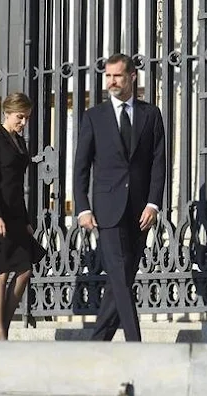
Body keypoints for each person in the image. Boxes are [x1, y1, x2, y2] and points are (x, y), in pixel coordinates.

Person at [73, 53, 166, 342]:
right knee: (119, 277)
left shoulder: (151, 114)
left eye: (118, 76)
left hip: (140, 212)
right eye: (108, 76)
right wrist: (83, 208)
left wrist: (153, 203)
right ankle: (135, 345)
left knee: (121, 281)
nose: (112, 81)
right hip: (107, 210)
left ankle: (97, 344)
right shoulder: (94, 116)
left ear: (132, 77)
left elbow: (159, 162)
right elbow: (81, 167)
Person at [0, 92, 46, 341]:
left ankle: (2, 326)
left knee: (24, 270)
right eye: (20, 117)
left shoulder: (20, 142)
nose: (23, 122)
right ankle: (0, 331)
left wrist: (27, 221)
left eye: (27, 118)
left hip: (17, 215)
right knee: (1, 272)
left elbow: (18, 186)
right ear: (7, 113)